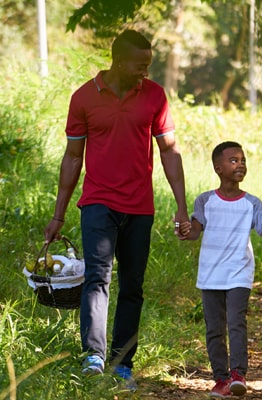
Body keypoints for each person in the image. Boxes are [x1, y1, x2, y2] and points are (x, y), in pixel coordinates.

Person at [44, 30, 189, 390]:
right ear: (118, 61)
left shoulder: (155, 95)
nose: (145, 72)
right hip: (97, 202)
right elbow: (72, 157)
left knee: (133, 285)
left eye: (149, 65)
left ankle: (123, 363)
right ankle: (94, 356)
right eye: (140, 65)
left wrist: (182, 207)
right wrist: (58, 214)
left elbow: (169, 151)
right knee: (98, 277)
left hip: (140, 205)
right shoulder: (83, 97)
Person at [177, 141, 262, 398]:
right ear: (218, 168)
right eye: (233, 160)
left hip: (239, 272)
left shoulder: (252, 203)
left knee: (236, 324)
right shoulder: (205, 201)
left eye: (242, 160)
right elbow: (195, 232)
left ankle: (238, 375)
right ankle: (220, 379)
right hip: (210, 275)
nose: (240, 164)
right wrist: (184, 231)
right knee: (214, 328)